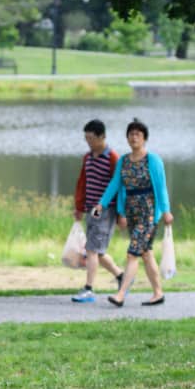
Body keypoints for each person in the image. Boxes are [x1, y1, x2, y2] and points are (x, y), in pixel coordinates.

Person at [92, 118, 174, 307]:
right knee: (146, 253)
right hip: (132, 212)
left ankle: (120, 295)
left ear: (144, 138)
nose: (134, 137)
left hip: (149, 213)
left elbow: (161, 188)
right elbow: (115, 184)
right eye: (131, 134)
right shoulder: (123, 160)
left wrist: (167, 211)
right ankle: (158, 293)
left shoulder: (153, 160)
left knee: (133, 253)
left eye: (138, 134)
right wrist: (102, 204)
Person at [71, 119, 124, 303]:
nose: (89, 142)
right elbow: (82, 183)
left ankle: (88, 289)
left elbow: (120, 187)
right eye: (86, 139)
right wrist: (79, 207)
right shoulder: (87, 157)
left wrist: (121, 214)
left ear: (102, 137)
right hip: (91, 211)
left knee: (91, 249)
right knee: (98, 252)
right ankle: (122, 276)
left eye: (92, 138)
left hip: (106, 211)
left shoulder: (113, 158)